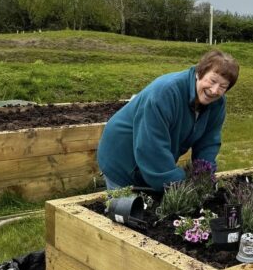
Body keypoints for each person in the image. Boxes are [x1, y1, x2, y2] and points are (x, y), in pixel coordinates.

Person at [97, 49, 239, 192]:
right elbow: (152, 146)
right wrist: (177, 184)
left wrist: (203, 176)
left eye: (223, 86)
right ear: (199, 73)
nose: (214, 90)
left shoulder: (217, 103)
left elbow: (209, 141)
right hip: (122, 157)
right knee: (127, 209)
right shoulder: (166, 93)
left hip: (150, 157)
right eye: (212, 81)